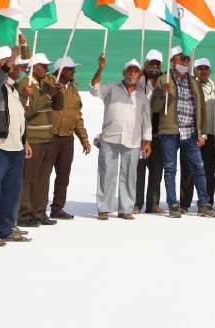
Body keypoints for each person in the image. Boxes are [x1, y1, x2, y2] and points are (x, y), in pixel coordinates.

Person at [0, 44, 32, 246]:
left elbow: (18, 118)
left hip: (15, 148)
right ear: (3, 62)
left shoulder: (12, 88)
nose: (19, 68)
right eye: (15, 64)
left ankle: (6, 227)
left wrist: (24, 141)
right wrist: (12, 59)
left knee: (11, 192)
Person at [150, 50, 214, 218]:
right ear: (173, 61)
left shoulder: (193, 81)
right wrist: (162, 94)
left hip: (190, 132)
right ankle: (173, 204)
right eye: (181, 59)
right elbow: (155, 107)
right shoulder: (164, 80)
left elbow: (202, 109)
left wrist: (203, 133)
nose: (185, 62)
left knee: (198, 169)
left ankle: (204, 204)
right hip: (170, 131)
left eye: (187, 59)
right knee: (170, 169)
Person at [90, 55, 153, 219]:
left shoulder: (142, 96)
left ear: (139, 75)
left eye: (135, 71)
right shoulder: (111, 87)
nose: (132, 74)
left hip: (133, 140)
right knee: (106, 173)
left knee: (129, 175)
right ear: (124, 73)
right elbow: (94, 89)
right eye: (129, 71)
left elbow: (147, 122)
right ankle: (104, 208)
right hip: (109, 138)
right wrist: (100, 69)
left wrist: (147, 142)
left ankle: (126, 209)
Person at [17, 53, 59, 228]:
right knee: (28, 178)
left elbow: (58, 107)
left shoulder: (45, 85)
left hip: (47, 137)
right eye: (43, 66)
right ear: (33, 67)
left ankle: (39, 212)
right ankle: (24, 214)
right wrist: (47, 96)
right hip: (33, 138)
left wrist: (57, 93)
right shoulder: (25, 84)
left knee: (43, 178)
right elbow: (27, 111)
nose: (47, 69)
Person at [48, 57, 90, 219]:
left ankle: (57, 208)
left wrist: (84, 139)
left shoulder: (73, 91)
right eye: (70, 69)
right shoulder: (49, 83)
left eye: (73, 69)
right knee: (43, 175)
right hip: (49, 136)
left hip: (67, 138)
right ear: (60, 70)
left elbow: (77, 117)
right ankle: (37, 208)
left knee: (63, 176)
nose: (73, 71)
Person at [179, 58, 215, 211]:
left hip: (210, 134)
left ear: (210, 70)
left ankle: (207, 202)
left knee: (209, 171)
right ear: (194, 70)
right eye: (200, 68)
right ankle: (184, 203)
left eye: (206, 68)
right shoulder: (188, 85)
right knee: (188, 170)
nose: (203, 71)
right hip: (191, 134)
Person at [135, 49, 167, 214]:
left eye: (157, 64)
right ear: (146, 64)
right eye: (151, 63)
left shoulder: (165, 80)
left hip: (159, 133)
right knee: (139, 170)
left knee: (156, 171)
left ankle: (153, 203)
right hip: (140, 134)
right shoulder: (139, 80)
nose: (154, 66)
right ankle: (136, 203)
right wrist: (139, 74)